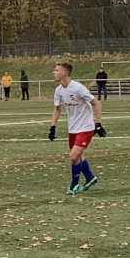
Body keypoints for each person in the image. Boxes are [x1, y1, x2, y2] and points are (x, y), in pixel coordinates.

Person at [47, 61, 103, 195]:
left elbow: (97, 104)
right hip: (73, 127)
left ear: (65, 73)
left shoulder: (78, 88)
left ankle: (74, 184)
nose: (53, 73)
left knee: (73, 156)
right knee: (78, 156)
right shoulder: (59, 90)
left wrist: (98, 124)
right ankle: (90, 178)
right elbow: (57, 109)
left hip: (86, 127)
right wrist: (52, 127)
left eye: (56, 70)